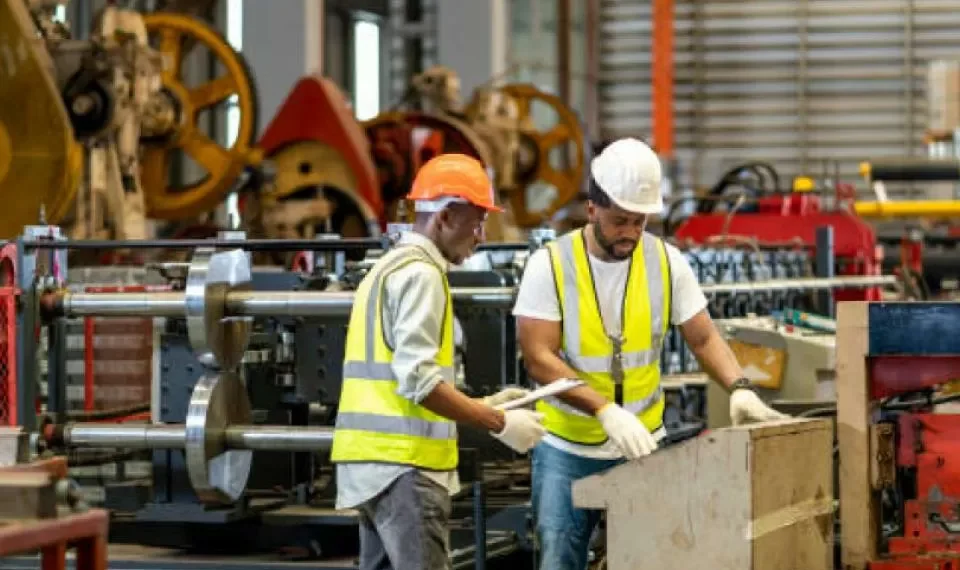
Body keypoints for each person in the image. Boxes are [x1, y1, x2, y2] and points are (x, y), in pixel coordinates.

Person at [512, 137, 788, 570]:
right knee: (559, 559)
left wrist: (739, 386)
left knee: (651, 559)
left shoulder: (665, 261)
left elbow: (703, 337)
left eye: (639, 221)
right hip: (568, 448)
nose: (630, 233)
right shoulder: (550, 265)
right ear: (592, 209)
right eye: (620, 221)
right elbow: (538, 357)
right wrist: (604, 410)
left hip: (643, 444)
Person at [330, 153, 547, 570]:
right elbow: (419, 381)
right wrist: (497, 421)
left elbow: (401, 373)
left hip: (373, 466)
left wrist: (486, 403)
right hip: (406, 469)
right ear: (445, 217)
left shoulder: (387, 267)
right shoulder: (422, 275)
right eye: (477, 223)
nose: (481, 236)